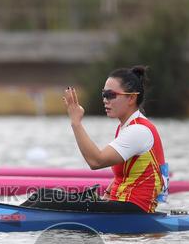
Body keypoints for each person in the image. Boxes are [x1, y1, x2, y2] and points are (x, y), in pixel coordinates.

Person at [24, 65, 167, 214]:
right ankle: (9, 216)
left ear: (131, 97)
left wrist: (76, 122)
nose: (105, 100)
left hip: (136, 211)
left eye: (111, 95)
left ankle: (8, 219)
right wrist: (106, 195)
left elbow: (96, 161)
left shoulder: (139, 130)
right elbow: (126, 173)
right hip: (122, 204)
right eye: (104, 94)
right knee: (44, 195)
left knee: (48, 201)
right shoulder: (128, 126)